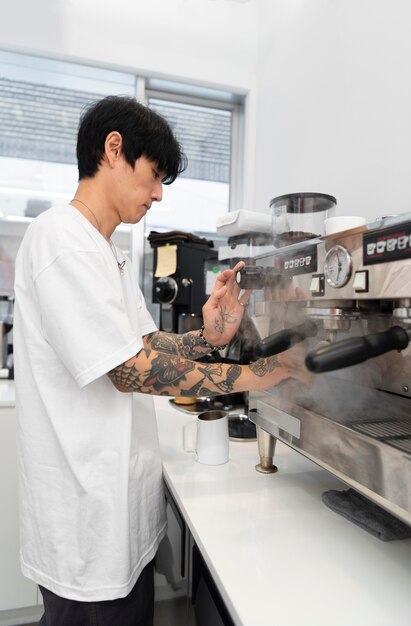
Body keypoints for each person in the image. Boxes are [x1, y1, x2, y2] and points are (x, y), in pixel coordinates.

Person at [13, 95, 309, 626]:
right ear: (113, 149)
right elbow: (130, 371)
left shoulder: (108, 251)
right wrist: (254, 375)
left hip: (117, 520)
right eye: (154, 176)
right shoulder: (61, 239)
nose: (157, 194)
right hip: (87, 530)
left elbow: (147, 346)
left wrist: (210, 334)